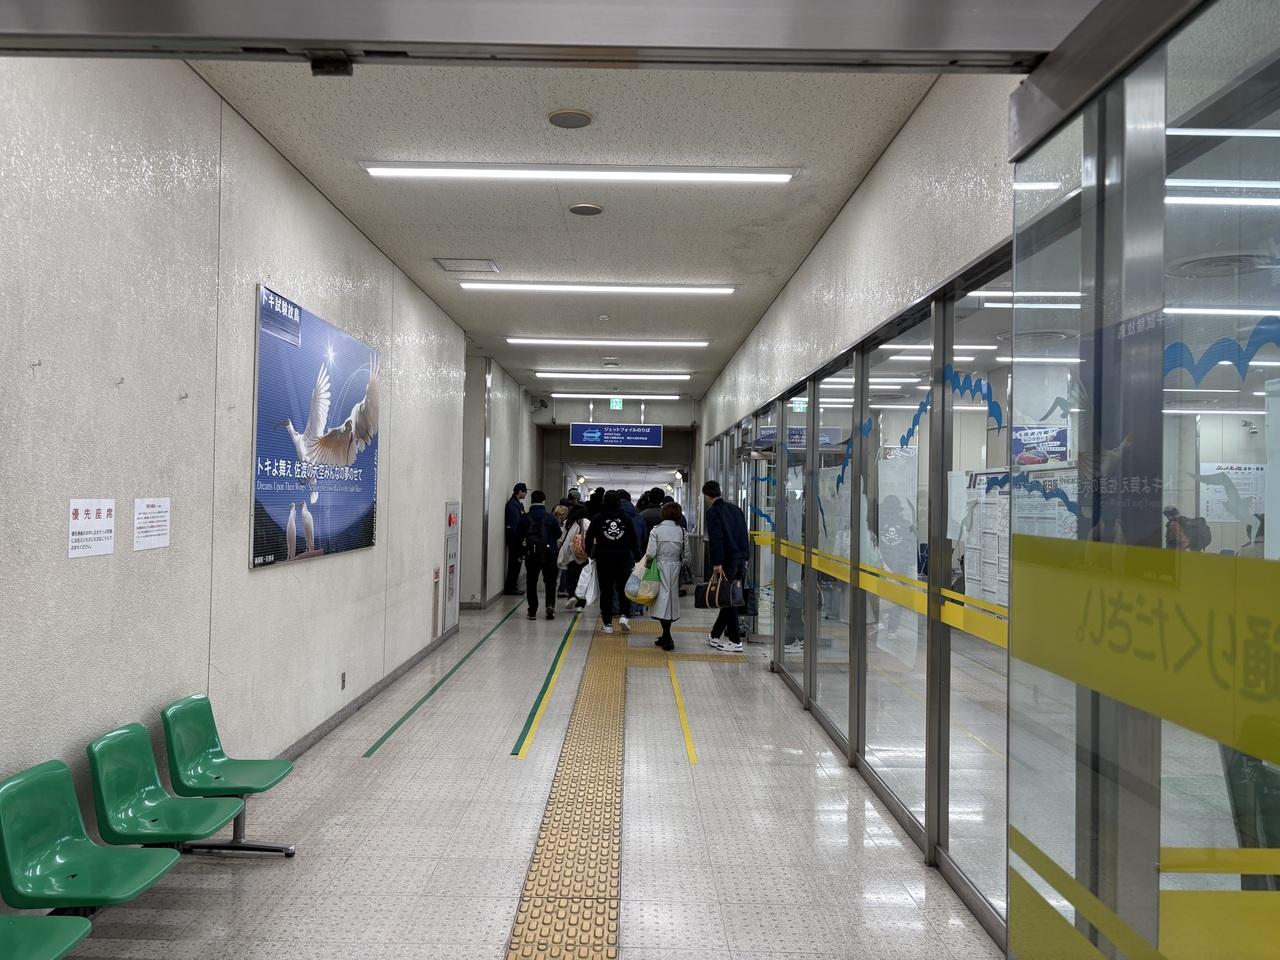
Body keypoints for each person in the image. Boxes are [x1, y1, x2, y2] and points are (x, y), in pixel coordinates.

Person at [703, 479, 750, 652]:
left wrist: (717, 563)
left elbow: (716, 539)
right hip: (740, 559)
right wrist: (746, 556)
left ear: (707, 496)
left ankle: (735, 640)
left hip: (727, 560)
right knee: (728, 597)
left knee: (729, 601)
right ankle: (715, 635)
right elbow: (744, 533)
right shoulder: (736, 509)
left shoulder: (713, 512)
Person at [584, 490, 637, 635]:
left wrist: (590, 553)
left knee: (606, 591)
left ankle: (607, 624)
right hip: (623, 558)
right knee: (623, 589)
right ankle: (624, 616)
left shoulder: (598, 518)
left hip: (603, 559)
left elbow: (589, 538)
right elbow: (633, 539)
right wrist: (636, 556)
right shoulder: (626, 518)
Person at [645, 502, 688, 651]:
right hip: (675, 566)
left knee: (661, 600)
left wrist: (646, 569)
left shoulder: (656, 530)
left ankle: (667, 636)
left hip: (659, 566)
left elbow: (650, 553)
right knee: (671, 600)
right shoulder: (682, 531)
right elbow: (687, 555)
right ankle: (666, 635)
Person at [519, 490, 562, 620]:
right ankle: (550, 606)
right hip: (549, 553)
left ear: (531, 500)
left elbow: (519, 535)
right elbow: (558, 534)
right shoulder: (551, 517)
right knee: (550, 581)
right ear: (544, 501)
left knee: (531, 582)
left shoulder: (525, 517)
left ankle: (532, 610)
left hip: (531, 553)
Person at [558, 503, 591, 610]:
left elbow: (562, 539)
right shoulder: (587, 522)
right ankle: (580, 604)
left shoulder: (568, 522)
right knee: (583, 579)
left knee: (571, 578)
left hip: (572, 555)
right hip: (584, 555)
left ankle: (572, 595)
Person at [503, 482, 528, 595]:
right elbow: (515, 525)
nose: (526, 494)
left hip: (517, 539)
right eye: (525, 492)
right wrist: (520, 540)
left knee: (516, 564)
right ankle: (510, 587)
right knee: (514, 563)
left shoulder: (517, 504)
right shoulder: (513, 505)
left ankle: (513, 586)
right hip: (515, 540)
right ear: (520, 492)